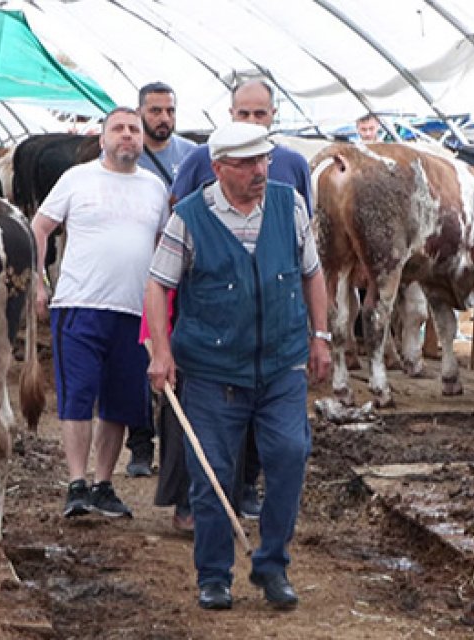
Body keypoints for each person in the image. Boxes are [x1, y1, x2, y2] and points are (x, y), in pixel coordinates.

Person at [145, 121, 332, 611]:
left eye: (264, 159)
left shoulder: (289, 205)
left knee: (290, 455)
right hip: (211, 371)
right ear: (219, 167)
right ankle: (214, 575)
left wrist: (322, 337)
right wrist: (161, 351)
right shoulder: (188, 217)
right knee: (211, 477)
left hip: (281, 365)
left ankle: (272, 564)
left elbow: (313, 274)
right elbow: (157, 287)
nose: (260, 170)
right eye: (247, 162)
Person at [170, 79, 313, 522]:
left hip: (273, 321)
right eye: (243, 114)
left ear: (274, 116)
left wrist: (314, 327)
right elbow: (178, 226)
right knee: (202, 415)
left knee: (268, 417)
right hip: (210, 317)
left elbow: (306, 247)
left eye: (260, 114)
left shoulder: (293, 165)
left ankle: (247, 486)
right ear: (230, 115)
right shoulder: (200, 158)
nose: (252, 121)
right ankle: (191, 499)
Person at [31, 107, 168, 520]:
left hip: (134, 310)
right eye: (118, 129)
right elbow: (39, 228)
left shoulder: (155, 188)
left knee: (120, 403)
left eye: (134, 130)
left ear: (142, 139)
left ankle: (104, 484)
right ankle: (76, 483)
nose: (127, 136)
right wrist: (39, 281)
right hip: (79, 305)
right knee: (78, 396)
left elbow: (164, 244)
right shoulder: (78, 179)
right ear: (103, 137)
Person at [127, 81, 199, 481]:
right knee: (142, 357)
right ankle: (140, 444)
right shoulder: (127, 157)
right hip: (139, 273)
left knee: (174, 358)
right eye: (155, 111)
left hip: (180, 275)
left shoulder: (189, 155)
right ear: (140, 113)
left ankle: (176, 446)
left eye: (169, 111)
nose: (164, 119)